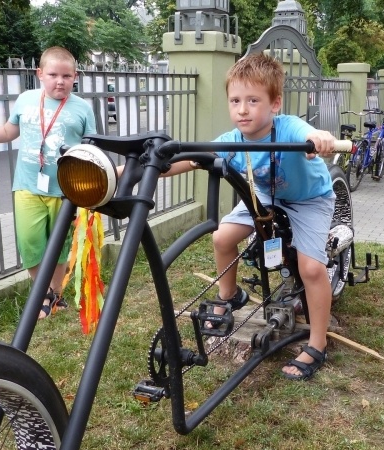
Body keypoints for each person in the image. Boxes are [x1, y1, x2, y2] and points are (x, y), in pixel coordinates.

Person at [130, 53, 338, 380]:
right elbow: (189, 160)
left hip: (308, 199)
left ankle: (318, 342)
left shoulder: (289, 128)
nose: (242, 109)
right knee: (222, 237)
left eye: (253, 100)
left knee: (311, 268)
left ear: (275, 104)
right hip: (265, 196)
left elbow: (308, 133)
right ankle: (230, 296)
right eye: (235, 100)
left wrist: (320, 139)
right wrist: (124, 174)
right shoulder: (232, 142)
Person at [0, 46, 97, 319]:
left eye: (66, 76)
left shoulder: (82, 108)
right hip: (27, 186)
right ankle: (42, 292)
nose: (60, 81)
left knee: (59, 244)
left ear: (75, 76)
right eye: (53, 74)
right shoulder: (26, 100)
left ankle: (54, 295)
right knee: (30, 241)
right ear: (39, 74)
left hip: (66, 191)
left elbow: (91, 148)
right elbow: (8, 131)